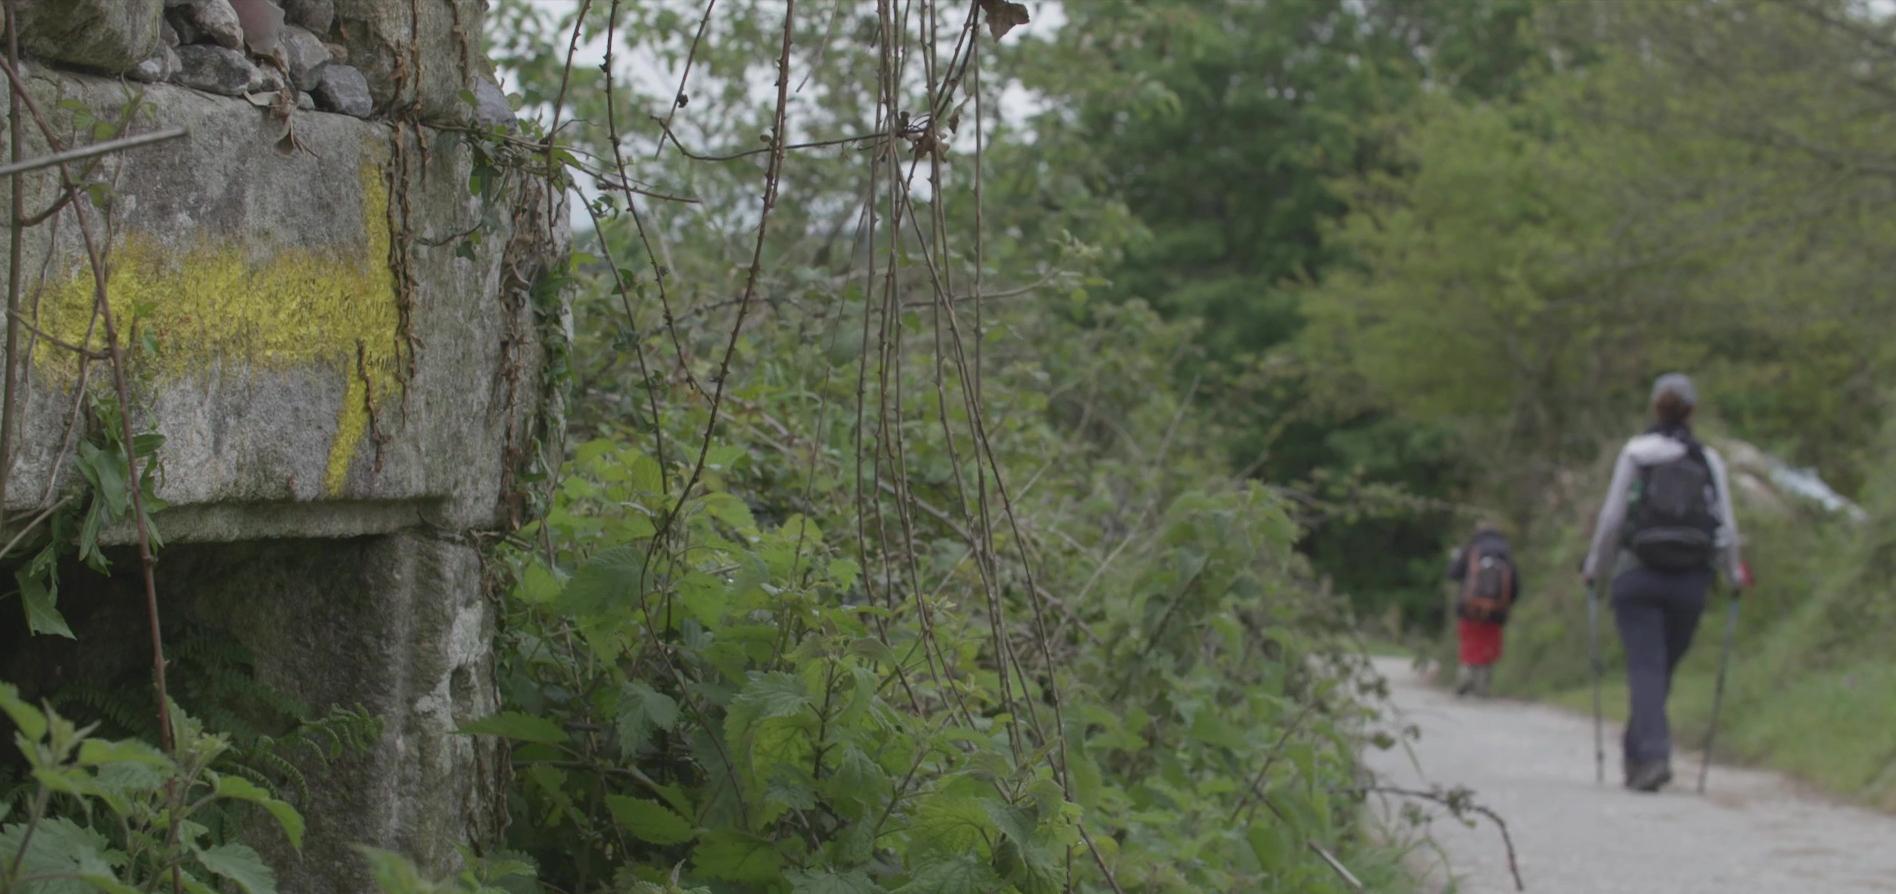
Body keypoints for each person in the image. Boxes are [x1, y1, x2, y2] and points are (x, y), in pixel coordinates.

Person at [1581, 373, 1750, 793]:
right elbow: (1726, 527)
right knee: (1660, 671)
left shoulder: (1637, 452)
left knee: (1647, 669)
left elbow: (1612, 519)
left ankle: (1648, 756)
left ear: (1655, 407)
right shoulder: (1708, 460)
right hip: (1690, 582)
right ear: (1691, 410)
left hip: (1637, 575)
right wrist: (1733, 574)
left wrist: (1594, 568)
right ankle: (1643, 756)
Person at [1446, 523, 1520, 697]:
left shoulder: (1472, 548)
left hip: (1470, 607)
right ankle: (1483, 679)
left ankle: (1466, 671)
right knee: (1489, 641)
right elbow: (1515, 585)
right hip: (1497, 610)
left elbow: (1453, 574)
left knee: (1469, 639)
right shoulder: (1505, 552)